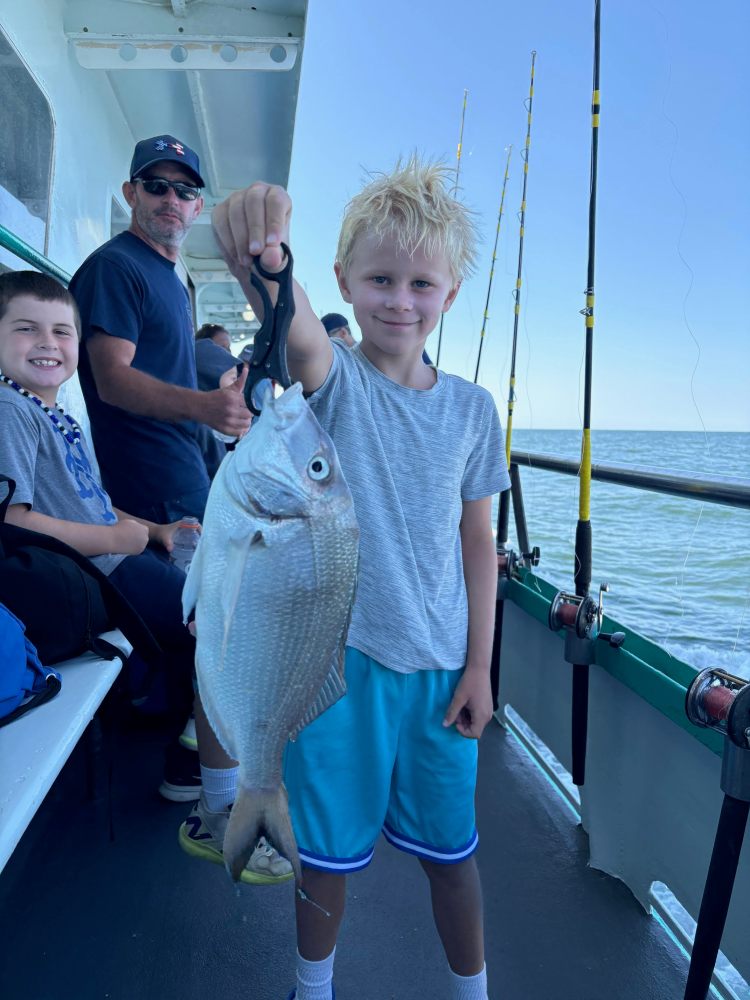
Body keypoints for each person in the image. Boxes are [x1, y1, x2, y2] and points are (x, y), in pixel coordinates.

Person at [212, 158, 509, 1000]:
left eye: (422, 282)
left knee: (454, 856)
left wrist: (482, 668)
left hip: (443, 669)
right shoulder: (334, 384)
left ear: (449, 295)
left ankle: (470, 990)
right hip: (338, 669)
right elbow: (295, 323)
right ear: (344, 279)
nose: (399, 300)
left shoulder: (475, 412)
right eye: (379, 278)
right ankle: (315, 988)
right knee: (328, 854)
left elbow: (478, 540)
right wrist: (266, 250)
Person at [0, 270, 291, 884]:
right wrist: (117, 540)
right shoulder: (9, 410)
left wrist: (153, 531)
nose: (47, 343)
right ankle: (207, 794)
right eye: (26, 329)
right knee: (219, 623)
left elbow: (92, 505)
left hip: (112, 557)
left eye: (61, 331)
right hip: (89, 579)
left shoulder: (51, 412)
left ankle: (199, 739)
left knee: (213, 576)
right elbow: (13, 521)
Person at [69, 135, 252, 525]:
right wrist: (206, 407)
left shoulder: (170, 279)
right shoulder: (116, 267)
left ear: (197, 206)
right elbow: (112, 380)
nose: (172, 199)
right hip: (154, 487)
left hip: (185, 468)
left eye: (185, 191)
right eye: (156, 186)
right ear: (131, 194)